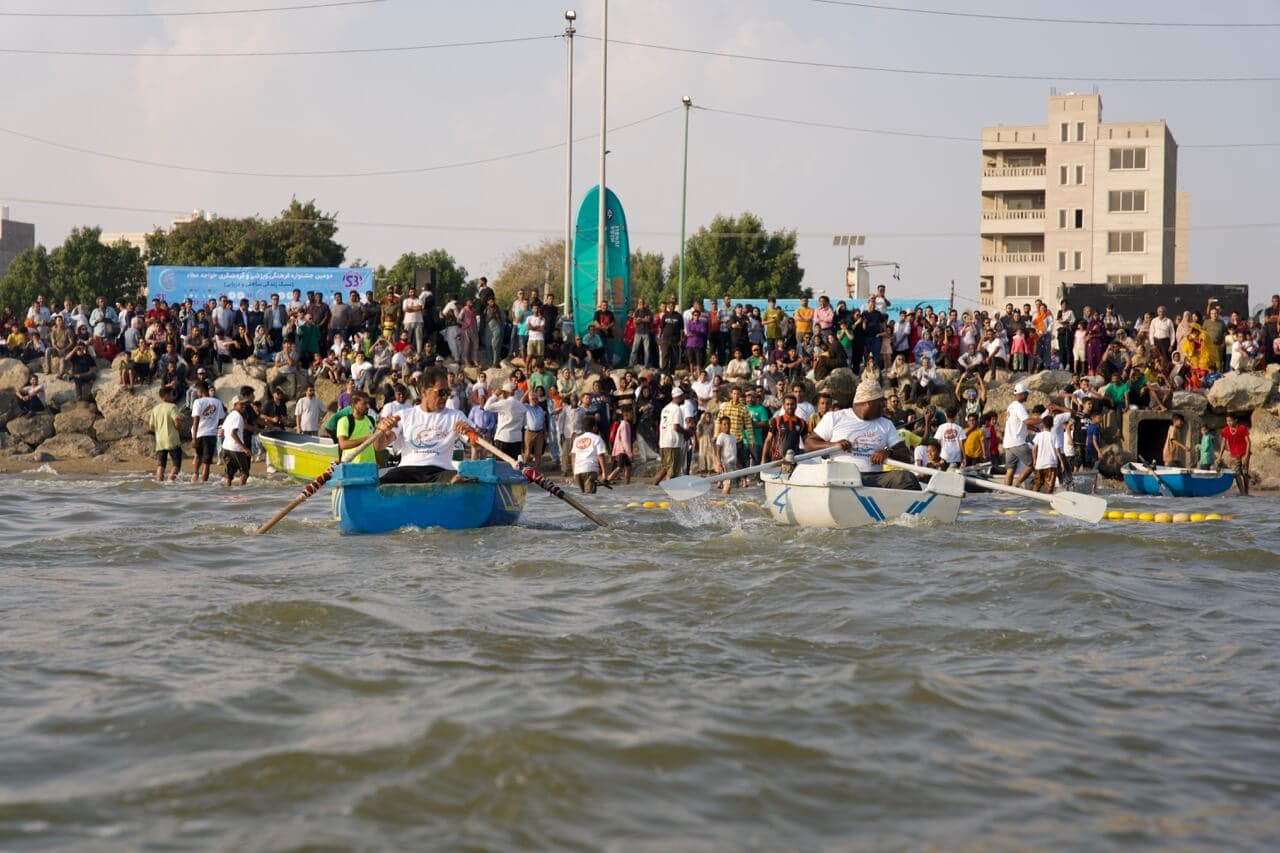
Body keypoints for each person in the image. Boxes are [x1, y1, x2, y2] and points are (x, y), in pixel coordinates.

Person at [803, 380, 919, 490]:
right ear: (868, 402)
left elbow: (906, 456)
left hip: (875, 478)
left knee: (906, 478)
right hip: (842, 477)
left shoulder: (886, 424)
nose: (884, 405)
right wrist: (833, 445)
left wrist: (888, 452)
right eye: (880, 402)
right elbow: (809, 444)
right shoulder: (834, 417)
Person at [377, 367, 476, 484]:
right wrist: (380, 431)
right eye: (441, 392)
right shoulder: (404, 415)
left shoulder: (456, 416)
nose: (445, 397)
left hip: (440, 471)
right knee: (381, 483)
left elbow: (477, 443)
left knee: (458, 479)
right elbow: (379, 446)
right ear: (424, 392)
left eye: (447, 392)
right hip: (407, 470)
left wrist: (471, 434)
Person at [651, 386, 690, 485]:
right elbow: (676, 427)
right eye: (682, 397)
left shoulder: (665, 408)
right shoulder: (676, 409)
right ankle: (670, 491)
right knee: (673, 471)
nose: (684, 399)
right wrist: (686, 432)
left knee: (665, 468)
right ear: (678, 397)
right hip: (673, 443)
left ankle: (652, 487)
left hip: (664, 442)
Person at [484, 381, 529, 461]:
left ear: (504, 392)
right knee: (513, 467)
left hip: (503, 438)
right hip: (516, 439)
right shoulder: (521, 406)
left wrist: (495, 395)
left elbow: (486, 407)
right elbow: (525, 423)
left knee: (500, 465)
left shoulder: (505, 403)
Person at [189, 382, 224, 482]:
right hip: (211, 435)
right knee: (207, 462)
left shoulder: (198, 402)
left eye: (196, 391)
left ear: (200, 391)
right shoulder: (217, 402)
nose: (196, 393)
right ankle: (204, 485)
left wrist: (194, 438)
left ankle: (195, 475)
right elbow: (221, 419)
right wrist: (215, 426)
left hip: (199, 434)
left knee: (198, 456)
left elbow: (195, 421)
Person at [148, 387, 183, 483]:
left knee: (161, 464)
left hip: (160, 441)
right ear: (166, 395)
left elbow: (151, 427)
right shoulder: (172, 407)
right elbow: (177, 423)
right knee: (176, 464)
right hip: (172, 439)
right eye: (172, 393)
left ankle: (159, 482)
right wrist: (179, 428)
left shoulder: (155, 409)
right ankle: (170, 481)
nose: (173, 396)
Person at [1002, 382, 1033, 487]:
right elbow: (1027, 421)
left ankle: (1007, 492)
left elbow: (1019, 423)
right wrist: (1042, 419)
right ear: (1022, 394)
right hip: (1018, 442)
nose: (1028, 396)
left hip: (1008, 443)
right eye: (1027, 394)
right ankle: (1016, 485)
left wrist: (1033, 428)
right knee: (1032, 463)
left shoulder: (1010, 406)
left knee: (1010, 469)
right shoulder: (1019, 406)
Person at [761, 394, 808, 462]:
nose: (790, 406)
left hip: (795, 458)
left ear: (796, 405)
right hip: (778, 459)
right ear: (783, 405)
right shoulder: (777, 420)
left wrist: (807, 456)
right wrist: (763, 460)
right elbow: (768, 441)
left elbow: (806, 442)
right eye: (787, 404)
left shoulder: (801, 422)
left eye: (792, 404)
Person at [335, 391, 379, 464]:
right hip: (352, 467)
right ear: (354, 404)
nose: (368, 406)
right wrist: (365, 439)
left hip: (371, 467)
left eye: (368, 403)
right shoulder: (344, 421)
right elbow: (343, 445)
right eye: (364, 403)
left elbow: (374, 445)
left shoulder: (370, 420)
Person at [570, 414, 609, 494]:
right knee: (590, 496)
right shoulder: (597, 438)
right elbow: (600, 456)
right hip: (590, 470)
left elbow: (573, 457)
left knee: (583, 496)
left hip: (578, 470)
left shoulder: (577, 439)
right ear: (594, 427)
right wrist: (604, 473)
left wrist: (574, 473)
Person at [1216, 413, 1250, 496]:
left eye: (1231, 421)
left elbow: (1248, 442)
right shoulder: (1225, 430)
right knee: (1236, 473)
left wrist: (1246, 455)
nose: (1229, 423)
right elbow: (1223, 443)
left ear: (1235, 420)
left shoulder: (1242, 428)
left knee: (1245, 473)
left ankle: (1246, 492)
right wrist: (1220, 456)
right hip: (1234, 455)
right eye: (1227, 421)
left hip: (1244, 454)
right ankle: (1242, 493)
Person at [220, 396, 251, 486]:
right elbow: (233, 433)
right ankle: (241, 491)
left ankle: (228, 492)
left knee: (228, 474)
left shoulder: (229, 415)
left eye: (244, 404)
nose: (243, 406)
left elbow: (222, 430)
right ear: (235, 405)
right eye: (241, 404)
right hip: (236, 448)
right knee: (245, 472)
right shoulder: (238, 417)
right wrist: (244, 448)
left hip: (226, 447)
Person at [1030, 415, 1062, 493]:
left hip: (1039, 464)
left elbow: (1034, 448)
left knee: (1036, 486)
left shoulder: (1038, 435)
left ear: (1043, 424)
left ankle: (1033, 501)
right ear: (1052, 425)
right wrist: (1061, 462)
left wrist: (1034, 460)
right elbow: (1057, 450)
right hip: (1051, 464)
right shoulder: (1054, 436)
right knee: (1049, 488)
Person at [714, 415, 738, 493]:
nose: (727, 426)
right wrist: (719, 463)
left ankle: (725, 497)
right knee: (727, 484)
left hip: (733, 464)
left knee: (729, 484)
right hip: (726, 464)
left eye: (728, 424)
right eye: (724, 424)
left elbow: (733, 451)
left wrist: (737, 462)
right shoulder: (721, 436)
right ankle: (724, 498)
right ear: (721, 425)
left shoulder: (733, 437)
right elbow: (718, 450)